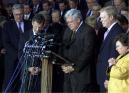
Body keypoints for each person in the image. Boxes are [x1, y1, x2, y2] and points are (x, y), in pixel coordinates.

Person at [61, 9, 98, 92]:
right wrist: (64, 63)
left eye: (71, 22)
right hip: (68, 73)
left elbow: (87, 53)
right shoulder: (68, 30)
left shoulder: (88, 31)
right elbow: (64, 48)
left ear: (78, 19)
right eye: (67, 22)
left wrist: (73, 67)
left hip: (81, 75)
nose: (69, 24)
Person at [2, 4, 32, 92]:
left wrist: (25, 56)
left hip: (26, 60)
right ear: (12, 14)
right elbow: (6, 43)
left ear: (24, 12)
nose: (18, 16)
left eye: (20, 14)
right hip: (12, 60)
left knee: (24, 84)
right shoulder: (7, 25)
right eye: (16, 14)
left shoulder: (29, 24)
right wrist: (18, 55)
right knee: (11, 84)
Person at [96, 6, 124, 92]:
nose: (101, 20)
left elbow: (114, 57)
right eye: (100, 18)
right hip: (103, 75)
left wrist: (108, 78)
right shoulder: (108, 31)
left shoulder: (117, 32)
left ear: (111, 17)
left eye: (103, 17)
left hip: (108, 78)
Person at [19, 14, 45, 93]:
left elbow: (47, 56)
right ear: (32, 23)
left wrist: (40, 68)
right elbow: (20, 54)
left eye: (40, 27)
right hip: (26, 73)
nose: (37, 29)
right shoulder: (24, 36)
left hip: (40, 74)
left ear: (43, 25)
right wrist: (28, 68)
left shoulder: (46, 37)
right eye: (36, 26)